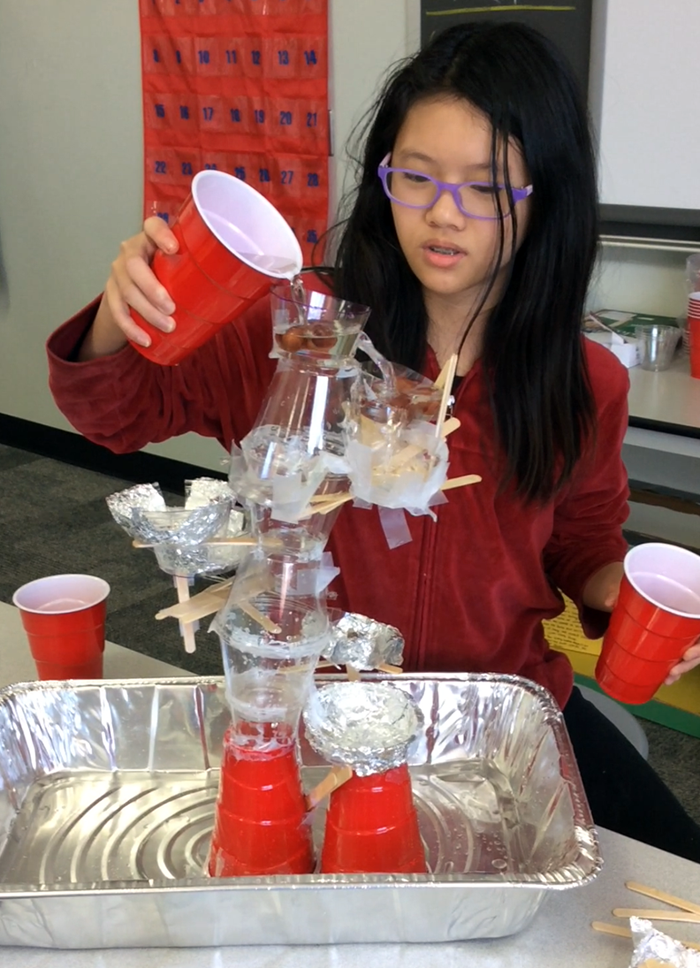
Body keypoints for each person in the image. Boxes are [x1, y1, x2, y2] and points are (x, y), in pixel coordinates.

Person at [47, 21, 700, 860]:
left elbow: (581, 543)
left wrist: (634, 595)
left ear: (547, 196)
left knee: (672, 868)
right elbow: (116, 413)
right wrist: (122, 310)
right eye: (415, 177)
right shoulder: (302, 336)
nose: (442, 213)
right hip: (318, 711)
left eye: (485, 186)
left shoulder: (583, 382)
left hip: (496, 711)